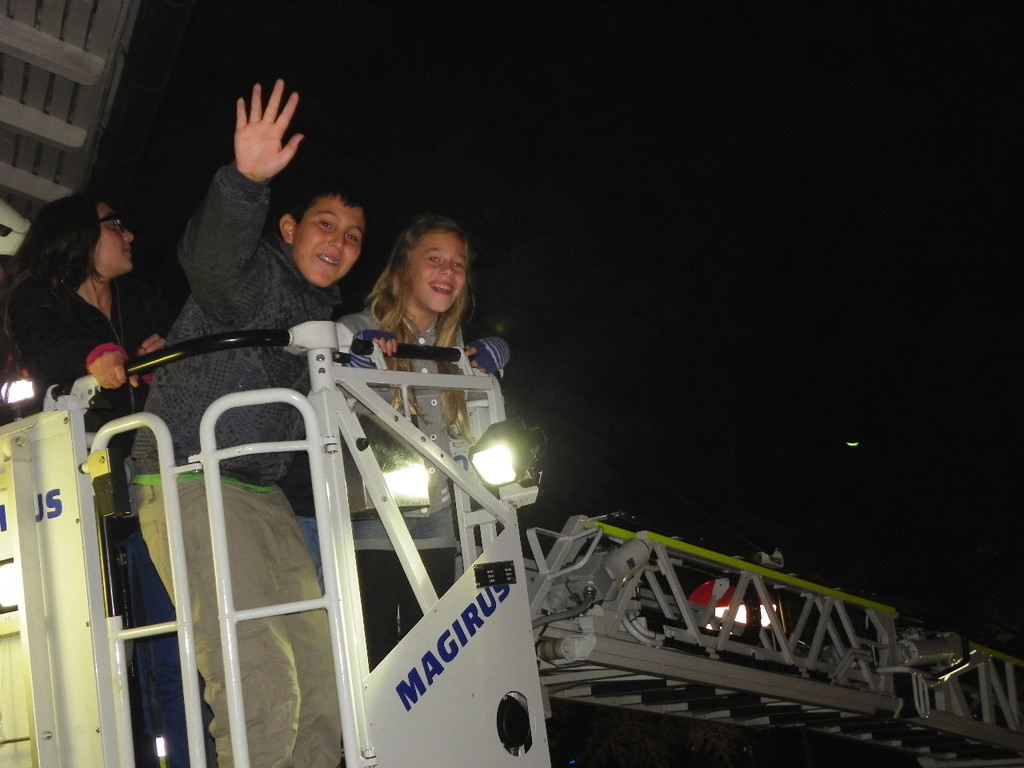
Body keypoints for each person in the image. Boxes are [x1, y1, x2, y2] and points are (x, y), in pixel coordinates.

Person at [131, 79, 363, 768]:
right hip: (194, 478)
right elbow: (211, 259)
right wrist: (245, 182)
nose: (338, 241)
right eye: (325, 224)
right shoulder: (254, 276)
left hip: (262, 494)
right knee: (260, 676)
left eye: (353, 236)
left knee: (324, 682)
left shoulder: (325, 326)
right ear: (289, 229)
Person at [0, 194, 205, 768]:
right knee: (103, 645)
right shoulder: (38, 299)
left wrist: (163, 355)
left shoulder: (141, 299)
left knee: (170, 636)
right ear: (77, 236)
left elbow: (179, 348)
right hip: (79, 494)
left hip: (155, 477)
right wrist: (98, 356)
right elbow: (51, 346)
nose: (128, 234)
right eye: (115, 224)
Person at [333, 213, 510, 669]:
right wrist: (353, 360)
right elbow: (326, 412)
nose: (448, 271)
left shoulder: (454, 345)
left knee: (433, 653)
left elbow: (463, 429)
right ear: (403, 267)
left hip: (437, 517)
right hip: (373, 515)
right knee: (376, 653)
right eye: (434, 259)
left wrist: (492, 365)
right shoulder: (353, 327)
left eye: (458, 264)